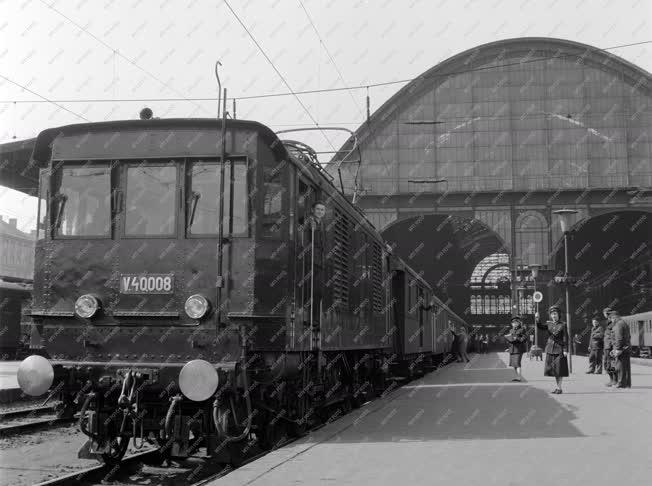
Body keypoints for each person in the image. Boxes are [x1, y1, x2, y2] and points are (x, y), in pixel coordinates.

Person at [303, 201, 327, 349]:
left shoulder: (322, 224)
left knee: (318, 292)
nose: (320, 211)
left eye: (322, 209)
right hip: (311, 259)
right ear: (313, 210)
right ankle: (309, 318)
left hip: (319, 261)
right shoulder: (310, 223)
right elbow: (306, 241)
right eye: (317, 209)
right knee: (311, 290)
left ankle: (315, 319)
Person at [535, 305, 569, 394]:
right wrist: (537, 319)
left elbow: (565, 337)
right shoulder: (548, 323)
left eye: (555, 314)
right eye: (552, 314)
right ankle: (558, 388)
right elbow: (540, 327)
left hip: (559, 349)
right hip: (550, 348)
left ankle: (559, 388)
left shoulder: (563, 324)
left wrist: (565, 349)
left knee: (559, 370)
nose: (554, 316)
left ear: (558, 314)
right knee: (554, 370)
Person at [610, 307, 631, 388]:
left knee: (620, 366)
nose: (611, 321)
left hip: (621, 349)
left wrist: (617, 349)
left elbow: (619, 338)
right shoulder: (623, 323)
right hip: (625, 348)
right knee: (625, 367)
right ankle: (627, 383)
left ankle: (621, 383)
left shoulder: (618, 325)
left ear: (614, 317)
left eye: (611, 319)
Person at [504, 316, 528, 381]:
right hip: (512, 349)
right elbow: (510, 340)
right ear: (511, 324)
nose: (514, 324)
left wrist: (517, 338)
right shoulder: (511, 330)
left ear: (519, 323)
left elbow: (524, 339)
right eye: (513, 323)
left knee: (517, 363)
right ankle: (517, 376)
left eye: (516, 322)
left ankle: (519, 377)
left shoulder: (522, 329)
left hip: (519, 349)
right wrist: (508, 348)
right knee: (513, 364)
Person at [602, 307, 617, 387]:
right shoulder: (608, 322)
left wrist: (612, 345)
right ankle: (612, 380)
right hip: (607, 346)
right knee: (608, 364)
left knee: (611, 364)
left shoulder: (613, 323)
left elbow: (613, 335)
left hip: (610, 347)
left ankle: (614, 380)